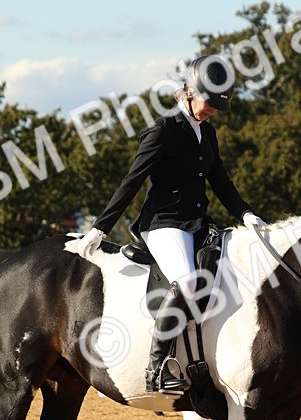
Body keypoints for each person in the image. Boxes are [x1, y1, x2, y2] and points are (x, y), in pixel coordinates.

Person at [77, 54, 265, 394]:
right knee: (190, 283)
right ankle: (156, 368)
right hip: (164, 224)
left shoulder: (207, 132)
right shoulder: (162, 130)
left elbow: (221, 184)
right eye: (209, 103)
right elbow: (132, 181)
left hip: (198, 223)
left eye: (217, 107)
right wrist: (100, 227)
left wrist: (247, 215)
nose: (212, 111)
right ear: (190, 91)